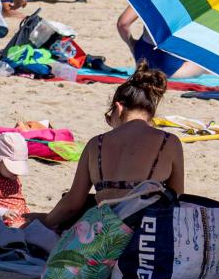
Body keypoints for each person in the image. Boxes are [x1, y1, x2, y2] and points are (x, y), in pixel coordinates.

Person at [37, 66, 185, 231]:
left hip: (103, 240)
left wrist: (44, 221)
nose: (109, 122)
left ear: (119, 108)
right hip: (147, 239)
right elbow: (178, 197)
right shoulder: (169, 142)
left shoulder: (96, 144)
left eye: (109, 117)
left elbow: (72, 203)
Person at [116, 4, 201, 79]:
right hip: (168, 63)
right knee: (206, 66)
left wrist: (132, 45)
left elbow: (123, 23)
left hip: (142, 57)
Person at [0, 132, 30, 227]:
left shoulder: (14, 178)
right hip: (2, 222)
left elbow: (19, 198)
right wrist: (2, 212)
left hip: (20, 218)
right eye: (12, 167)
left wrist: (26, 212)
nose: (16, 172)